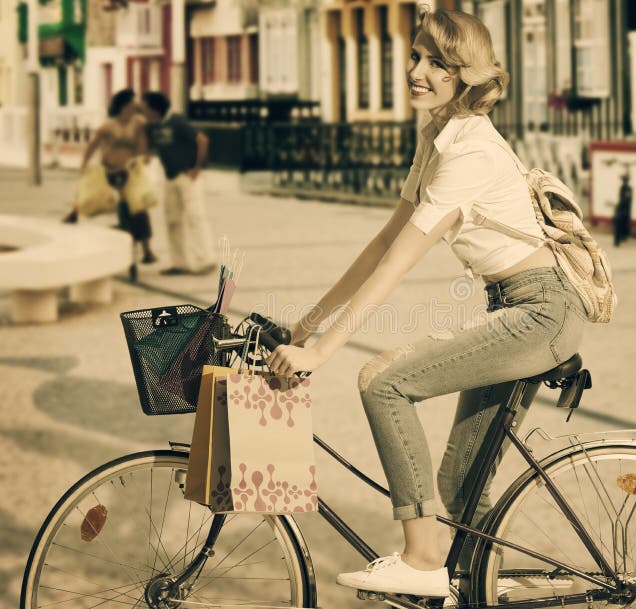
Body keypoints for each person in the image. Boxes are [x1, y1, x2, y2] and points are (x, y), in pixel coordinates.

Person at [266, 8, 587, 599]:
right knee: (462, 489)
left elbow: (399, 262)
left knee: (382, 380)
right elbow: (386, 238)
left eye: (438, 63)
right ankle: (481, 588)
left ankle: (419, 558)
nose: (417, 70)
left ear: (464, 75)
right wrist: (306, 325)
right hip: (516, 308)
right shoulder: (438, 137)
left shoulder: (470, 153)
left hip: (541, 312)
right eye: (416, 55)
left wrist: (325, 352)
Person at [65, 88, 157, 264]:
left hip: (130, 172)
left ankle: (147, 249)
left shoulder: (139, 123)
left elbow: (142, 145)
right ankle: (76, 211)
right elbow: (92, 146)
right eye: (131, 103)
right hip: (110, 170)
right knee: (96, 196)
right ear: (123, 105)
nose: (134, 106)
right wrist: (84, 165)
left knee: (138, 208)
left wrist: (143, 157)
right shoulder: (108, 125)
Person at [141, 91, 215, 275]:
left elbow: (202, 140)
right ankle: (180, 262)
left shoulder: (177, 121)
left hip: (187, 175)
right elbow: (146, 145)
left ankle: (205, 258)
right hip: (169, 176)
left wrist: (197, 167)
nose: (143, 111)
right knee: (172, 219)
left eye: (145, 107)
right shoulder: (152, 126)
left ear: (154, 109)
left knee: (195, 216)